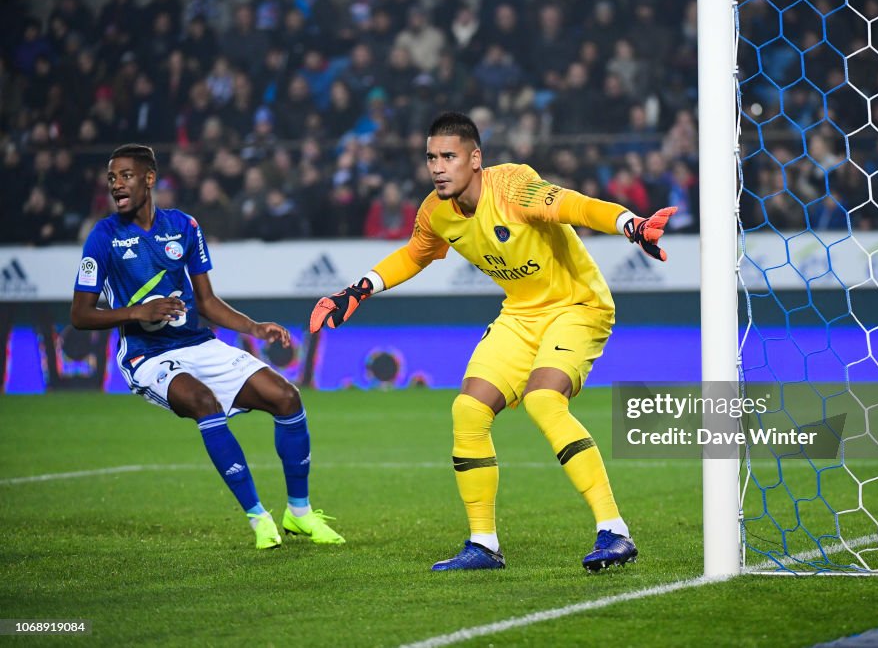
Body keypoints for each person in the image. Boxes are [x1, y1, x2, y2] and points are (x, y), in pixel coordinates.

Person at [310, 113, 675, 572]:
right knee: (468, 410)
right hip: (521, 314)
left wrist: (630, 224)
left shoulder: (515, 187)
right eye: (431, 158)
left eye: (449, 156)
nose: (438, 167)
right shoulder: (436, 210)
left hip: (577, 306)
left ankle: (615, 532)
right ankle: (483, 544)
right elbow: (414, 254)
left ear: (475, 158)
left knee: (545, 400)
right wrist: (358, 290)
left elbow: (577, 207)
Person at [71, 144, 344, 550]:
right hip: (148, 356)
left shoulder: (184, 226)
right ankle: (258, 517)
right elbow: (80, 315)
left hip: (199, 344)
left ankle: (299, 513)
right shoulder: (104, 236)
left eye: (126, 175)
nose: (117, 185)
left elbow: (208, 302)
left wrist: (255, 327)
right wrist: (136, 312)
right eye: (112, 178)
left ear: (149, 179)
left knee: (286, 397)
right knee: (203, 402)